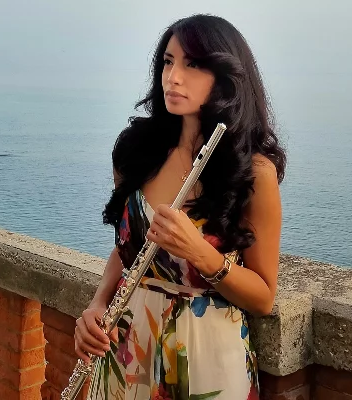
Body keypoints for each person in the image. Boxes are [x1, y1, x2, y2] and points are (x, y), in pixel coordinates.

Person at [74, 13, 285, 400]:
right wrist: (98, 303)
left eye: (193, 65)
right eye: (168, 62)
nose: (173, 77)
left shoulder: (253, 173)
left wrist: (201, 253)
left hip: (206, 360)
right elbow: (128, 248)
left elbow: (263, 297)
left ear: (226, 77)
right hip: (127, 348)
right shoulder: (136, 151)